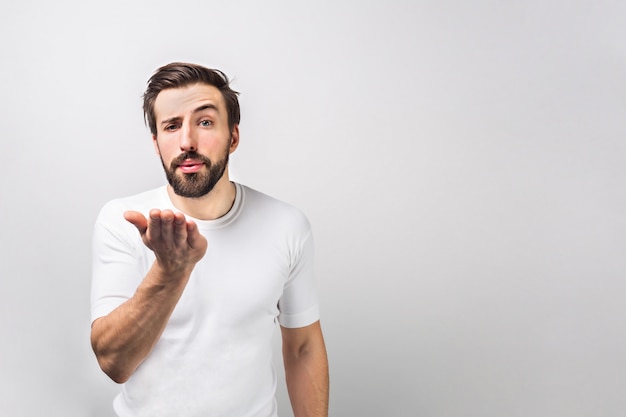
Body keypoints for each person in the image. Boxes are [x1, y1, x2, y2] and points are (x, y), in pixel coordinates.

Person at [90, 62, 329, 417]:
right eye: (171, 126)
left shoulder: (286, 225)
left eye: (204, 122)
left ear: (233, 136)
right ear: (157, 143)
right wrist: (170, 272)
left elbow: (303, 348)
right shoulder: (123, 220)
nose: (187, 141)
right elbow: (114, 362)